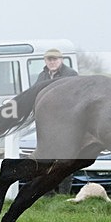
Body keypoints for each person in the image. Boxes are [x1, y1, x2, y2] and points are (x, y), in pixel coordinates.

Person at [35, 48, 78, 192]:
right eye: (49, 59)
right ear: (45, 61)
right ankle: (47, 191)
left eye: (55, 59)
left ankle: (64, 192)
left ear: (61, 60)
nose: (52, 62)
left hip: (66, 123)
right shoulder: (42, 76)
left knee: (65, 159)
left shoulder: (71, 75)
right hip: (47, 124)